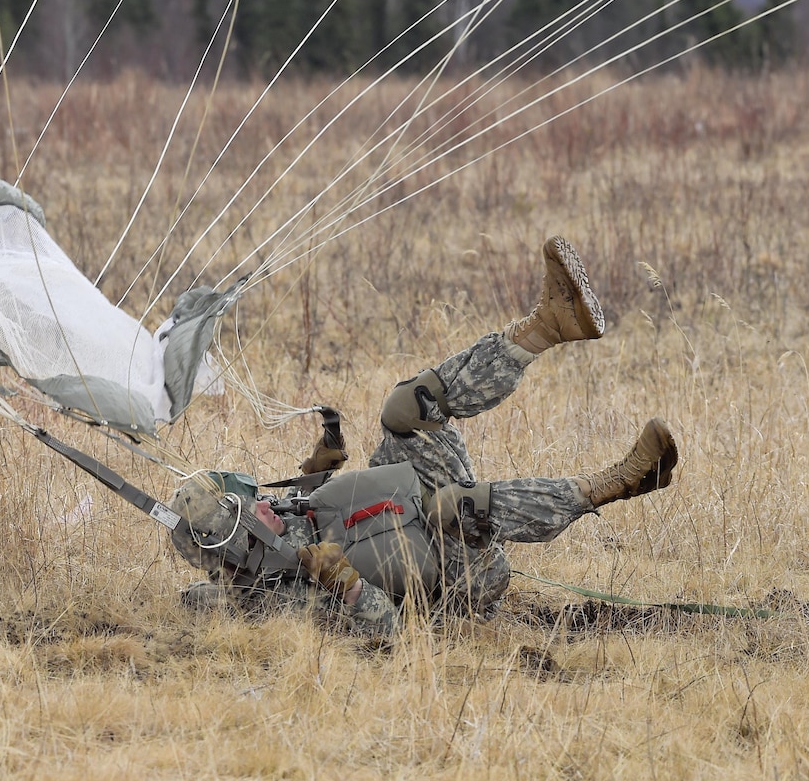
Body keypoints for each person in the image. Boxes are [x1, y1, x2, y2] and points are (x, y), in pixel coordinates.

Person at [169, 236, 680, 636]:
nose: (256, 503)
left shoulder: (273, 517)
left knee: (405, 409)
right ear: (233, 545)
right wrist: (341, 581)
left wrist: (318, 465)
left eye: (245, 494)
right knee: (450, 506)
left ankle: (549, 324)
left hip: (398, 510)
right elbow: (387, 634)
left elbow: (323, 502)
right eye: (241, 510)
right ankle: (615, 484)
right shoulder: (272, 598)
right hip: (458, 583)